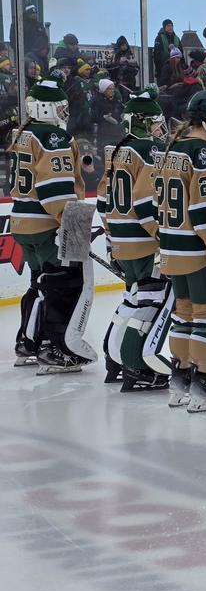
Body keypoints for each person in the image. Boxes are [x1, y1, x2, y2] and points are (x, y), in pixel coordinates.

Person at [154, 90, 206, 412]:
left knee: (184, 314)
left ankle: (179, 383)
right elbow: (203, 208)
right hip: (197, 248)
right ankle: (202, 385)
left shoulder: (171, 149)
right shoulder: (203, 152)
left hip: (171, 245)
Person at [10, 78, 95, 372]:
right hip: (47, 223)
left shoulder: (24, 133)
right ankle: (53, 348)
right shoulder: (53, 136)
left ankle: (28, 342)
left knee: (39, 283)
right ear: (45, 108)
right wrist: (73, 227)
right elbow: (55, 189)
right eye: (59, 107)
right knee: (64, 285)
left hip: (22, 222)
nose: (64, 112)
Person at [98, 89, 172, 391]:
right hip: (143, 240)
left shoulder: (118, 150)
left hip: (121, 236)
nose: (160, 129)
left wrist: (111, 236)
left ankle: (114, 358)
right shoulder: (149, 150)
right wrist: (164, 236)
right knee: (152, 299)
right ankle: (136, 365)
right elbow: (144, 204)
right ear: (141, 121)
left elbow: (102, 201)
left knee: (132, 296)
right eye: (155, 122)